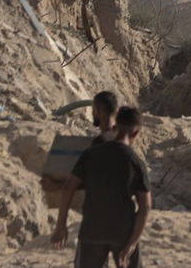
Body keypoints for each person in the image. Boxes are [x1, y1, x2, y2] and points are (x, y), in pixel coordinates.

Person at [51, 106, 151, 268]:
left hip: (92, 230)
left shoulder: (90, 155)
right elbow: (145, 207)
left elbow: (68, 188)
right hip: (123, 232)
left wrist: (61, 225)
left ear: (115, 127)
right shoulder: (136, 162)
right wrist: (132, 244)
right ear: (136, 133)